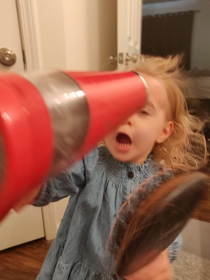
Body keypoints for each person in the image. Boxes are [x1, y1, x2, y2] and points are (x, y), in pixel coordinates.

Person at [15, 55, 207, 280]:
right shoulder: (89, 160)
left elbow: (168, 234)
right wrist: (27, 184)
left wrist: (157, 257)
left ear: (164, 131)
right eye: (120, 107)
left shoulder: (162, 183)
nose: (126, 118)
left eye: (142, 111)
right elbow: (49, 184)